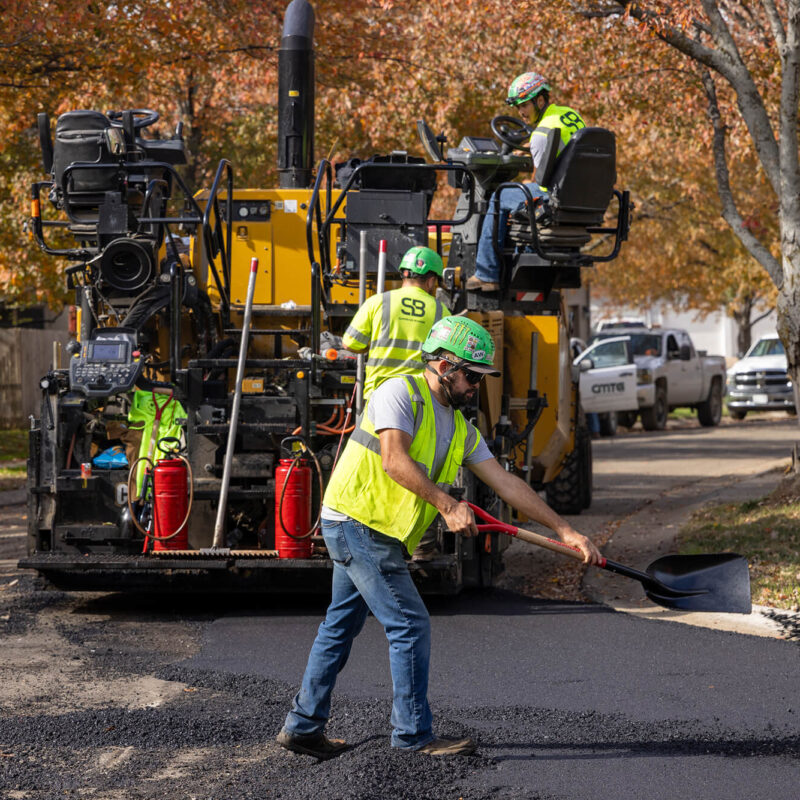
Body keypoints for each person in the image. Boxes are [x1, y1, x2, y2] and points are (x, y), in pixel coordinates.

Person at [277, 316, 601, 760]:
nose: (476, 387)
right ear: (446, 366)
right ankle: (412, 736)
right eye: (472, 376)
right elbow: (393, 461)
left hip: (381, 530)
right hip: (356, 522)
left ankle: (302, 726)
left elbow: (506, 484)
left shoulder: (460, 427)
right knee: (409, 624)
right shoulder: (399, 392)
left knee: (341, 625)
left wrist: (565, 530)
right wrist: (448, 505)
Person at [466, 72, 586, 292]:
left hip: (554, 197)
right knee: (515, 192)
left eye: (524, 106)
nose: (521, 112)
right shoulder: (569, 114)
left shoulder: (542, 134)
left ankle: (486, 274)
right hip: (578, 194)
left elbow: (539, 185)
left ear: (540, 100)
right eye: (518, 108)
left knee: (500, 195)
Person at [342, 245, 450, 398]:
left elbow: (349, 343)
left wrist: (373, 347)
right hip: (420, 395)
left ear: (404, 275)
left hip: (379, 391)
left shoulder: (377, 302)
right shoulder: (441, 311)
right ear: (431, 280)